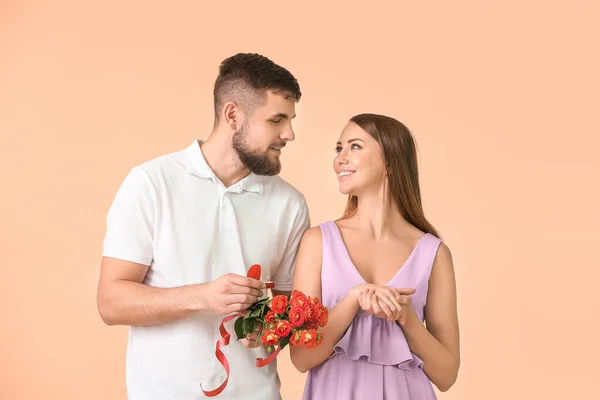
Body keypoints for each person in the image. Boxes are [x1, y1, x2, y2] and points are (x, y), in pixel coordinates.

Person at [96, 53, 311, 400]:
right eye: (277, 120)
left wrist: (267, 326)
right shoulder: (151, 183)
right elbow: (110, 302)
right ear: (232, 115)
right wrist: (202, 296)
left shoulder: (290, 203)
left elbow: (287, 307)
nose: (289, 134)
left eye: (290, 120)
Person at [290, 113, 460, 399]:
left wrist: (405, 318)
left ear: (390, 162)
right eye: (338, 148)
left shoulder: (434, 253)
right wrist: (353, 300)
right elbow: (301, 358)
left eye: (354, 146)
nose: (340, 159)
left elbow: (447, 374)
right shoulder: (317, 242)